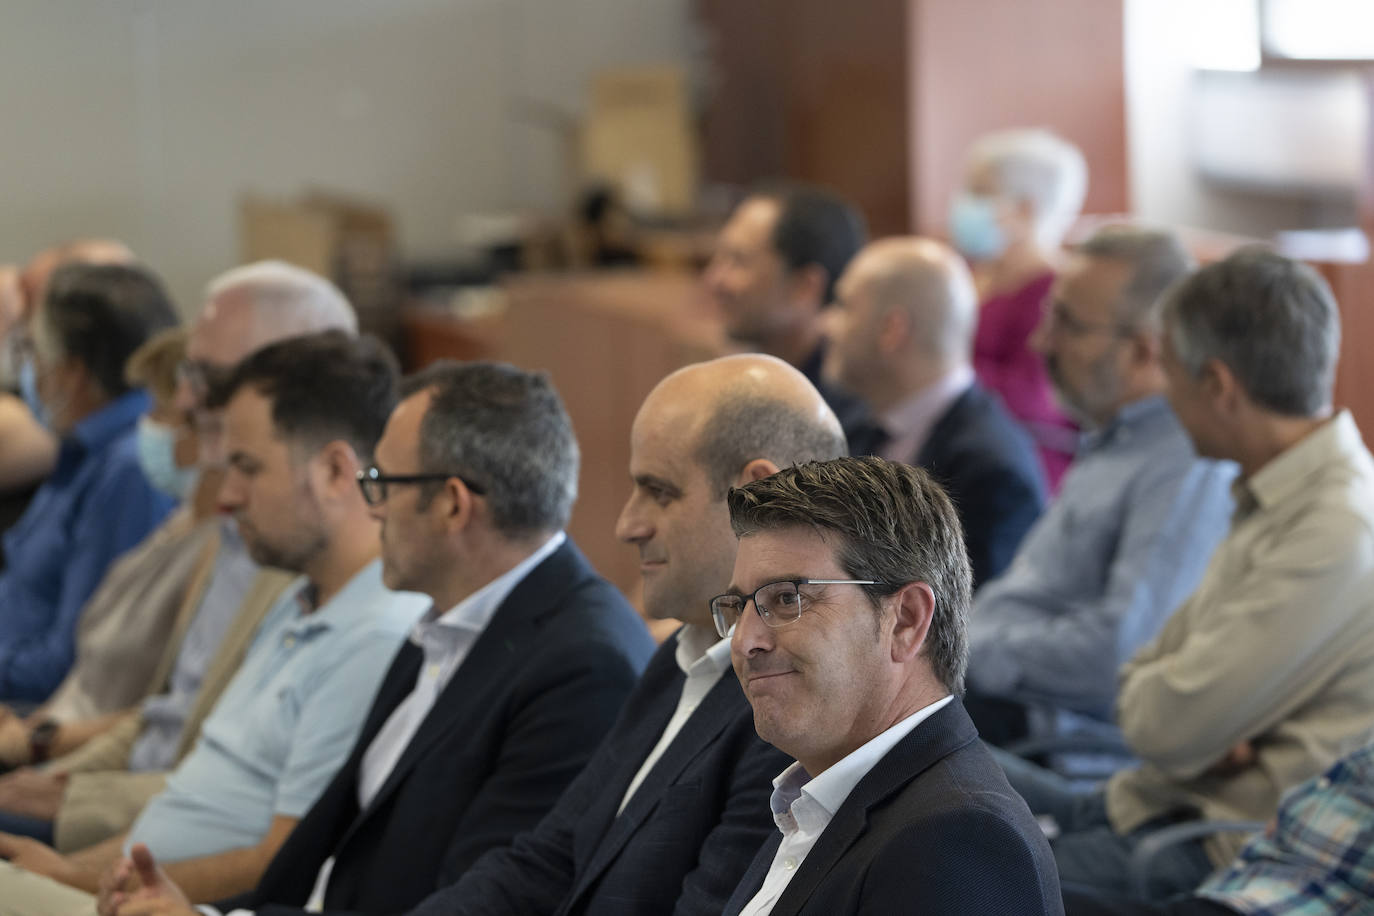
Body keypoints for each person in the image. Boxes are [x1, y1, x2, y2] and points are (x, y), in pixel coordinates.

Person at [100, 359, 656, 916]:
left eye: (381, 484)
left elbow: (470, 907)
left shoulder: (583, 667)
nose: (373, 509)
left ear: (451, 504)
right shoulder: (449, 620)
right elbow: (327, 867)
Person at [392, 354, 842, 916]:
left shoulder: (787, 710)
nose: (627, 525)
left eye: (659, 491)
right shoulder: (676, 660)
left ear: (756, 494)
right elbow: (547, 860)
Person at [0, 331, 430, 914]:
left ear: (335, 471)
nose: (225, 495)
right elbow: (192, 798)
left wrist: (70, 879)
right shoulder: (299, 594)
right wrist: (70, 872)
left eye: (247, 468)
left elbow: (279, 861)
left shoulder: (375, 633)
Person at [993, 248, 1374, 901]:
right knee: (905, 761)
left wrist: (1178, 708)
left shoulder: (1337, 527)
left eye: (1171, 375)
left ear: (1219, 386)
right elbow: (1146, 676)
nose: (1163, 396)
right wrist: (1193, 714)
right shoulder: (1272, 490)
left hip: (1210, 848)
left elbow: (1156, 723)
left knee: (960, 878)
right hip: (1143, 801)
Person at [0, 261, 359, 849]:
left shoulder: (307, 552)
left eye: (207, 375)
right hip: (121, 793)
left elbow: (247, 806)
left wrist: (61, 786)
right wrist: (53, 770)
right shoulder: (232, 521)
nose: (185, 396)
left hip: (154, 825)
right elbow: (170, 712)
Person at [718, 457, 1063, 915]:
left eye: (786, 598)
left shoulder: (959, 842)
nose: (745, 641)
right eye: (738, 607)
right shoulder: (821, 803)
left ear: (906, 620)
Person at [964, 227, 1235, 747]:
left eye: (1067, 323)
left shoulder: (1184, 463)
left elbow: (1124, 650)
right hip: (996, 704)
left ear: (1143, 351)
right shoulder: (1114, 439)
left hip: (1052, 746)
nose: (1041, 342)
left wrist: (966, 650)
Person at [0, 263, 180, 701]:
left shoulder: (128, 469)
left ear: (71, 372)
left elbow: (72, 662)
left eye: (34, 354)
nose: (31, 373)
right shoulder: (82, 450)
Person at [824, 236, 1045, 587]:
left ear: (891, 329)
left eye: (844, 306)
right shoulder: (849, 427)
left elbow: (973, 628)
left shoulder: (995, 473)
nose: (827, 325)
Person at [1062, 740, 1374, 914]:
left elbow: (1155, 726)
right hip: (1242, 884)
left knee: (1025, 884)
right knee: (1027, 887)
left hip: (1220, 858)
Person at [951, 128, 1087, 490]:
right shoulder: (971, 275)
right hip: (956, 440)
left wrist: (940, 370)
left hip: (1023, 464)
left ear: (1026, 208)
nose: (963, 204)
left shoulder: (1055, 291)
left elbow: (1034, 400)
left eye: (980, 193)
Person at [704, 184, 874, 447]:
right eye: (720, 256)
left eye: (738, 260)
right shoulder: (745, 385)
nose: (714, 279)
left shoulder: (849, 422)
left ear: (806, 286)